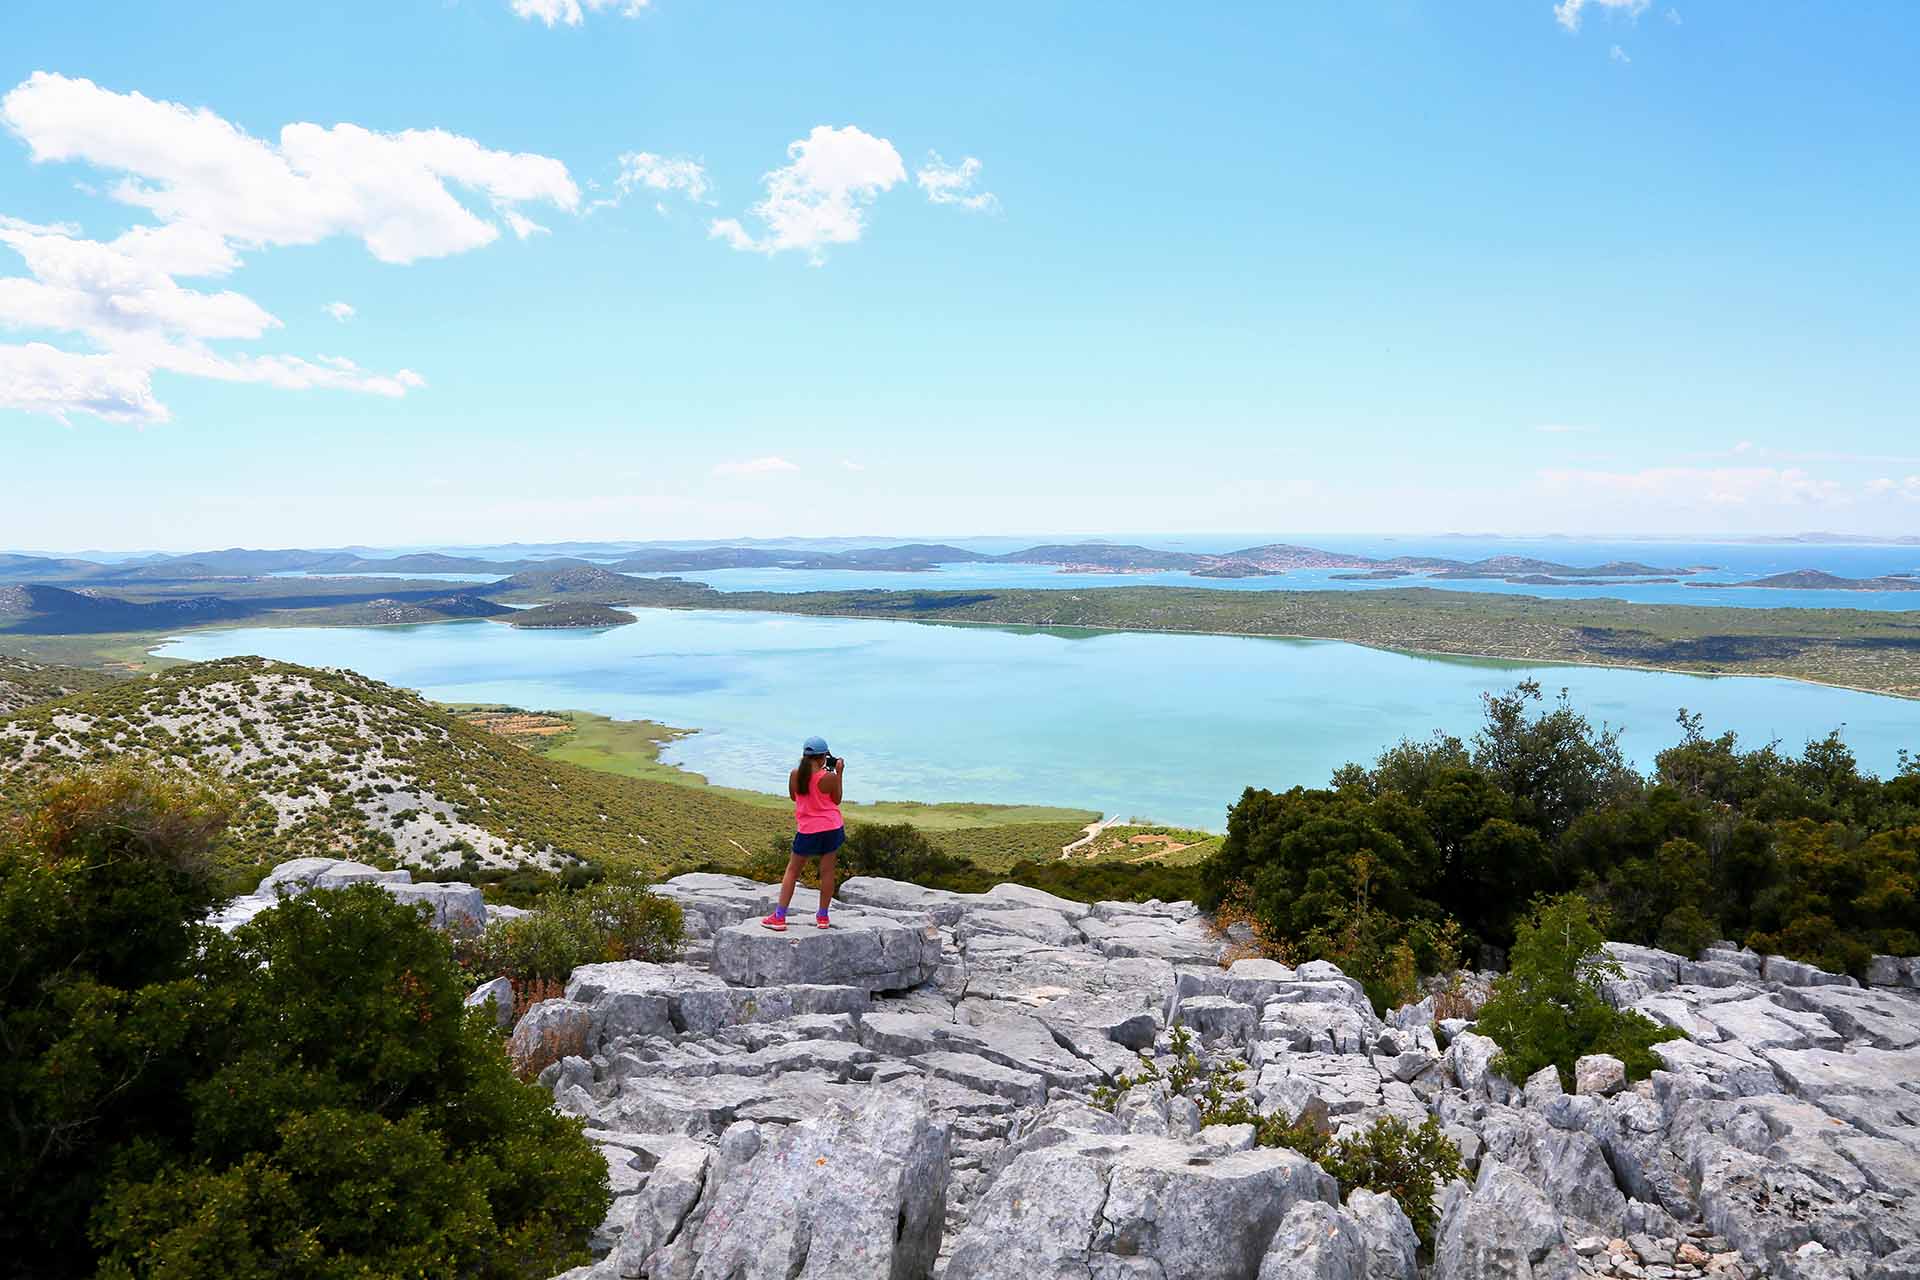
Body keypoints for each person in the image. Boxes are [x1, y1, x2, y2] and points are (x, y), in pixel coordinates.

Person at [761, 736, 845, 931]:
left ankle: (780, 916)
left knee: (792, 871)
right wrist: (839, 773)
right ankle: (823, 917)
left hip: (808, 829)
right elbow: (837, 799)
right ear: (823, 756)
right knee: (827, 872)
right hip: (831, 828)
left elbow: (794, 796)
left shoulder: (795, 774)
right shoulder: (829, 777)